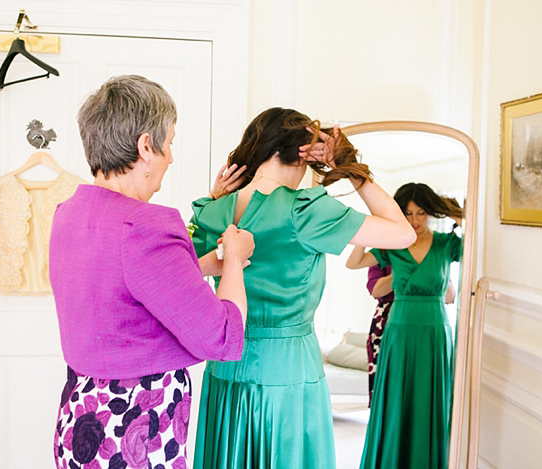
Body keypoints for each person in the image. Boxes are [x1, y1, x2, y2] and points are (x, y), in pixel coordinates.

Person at [189, 107, 416, 469]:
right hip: (289, 371)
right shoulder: (304, 211)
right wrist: (351, 170)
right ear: (300, 153)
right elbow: (403, 234)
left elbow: (183, 271)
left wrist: (215, 200)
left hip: (226, 370)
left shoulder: (212, 210)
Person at [49, 75, 254, 469]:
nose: (171, 157)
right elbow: (223, 337)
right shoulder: (146, 226)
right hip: (131, 430)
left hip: (79, 419)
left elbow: (123, 283)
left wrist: (202, 264)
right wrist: (233, 259)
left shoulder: (68, 214)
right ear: (146, 146)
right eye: (170, 142)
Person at [346, 182, 463, 469]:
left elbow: (479, 247)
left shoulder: (446, 244)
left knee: (429, 399)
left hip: (436, 332)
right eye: (407, 213)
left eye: (421, 213)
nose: (414, 221)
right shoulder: (394, 245)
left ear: (431, 213)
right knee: (398, 400)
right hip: (398, 331)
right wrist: (372, 226)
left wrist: (459, 215)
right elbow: (354, 262)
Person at [365, 263, 394, 406]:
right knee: (383, 387)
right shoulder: (383, 250)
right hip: (385, 320)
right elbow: (375, 289)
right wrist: (406, 267)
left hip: (426, 317)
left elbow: (449, 296)